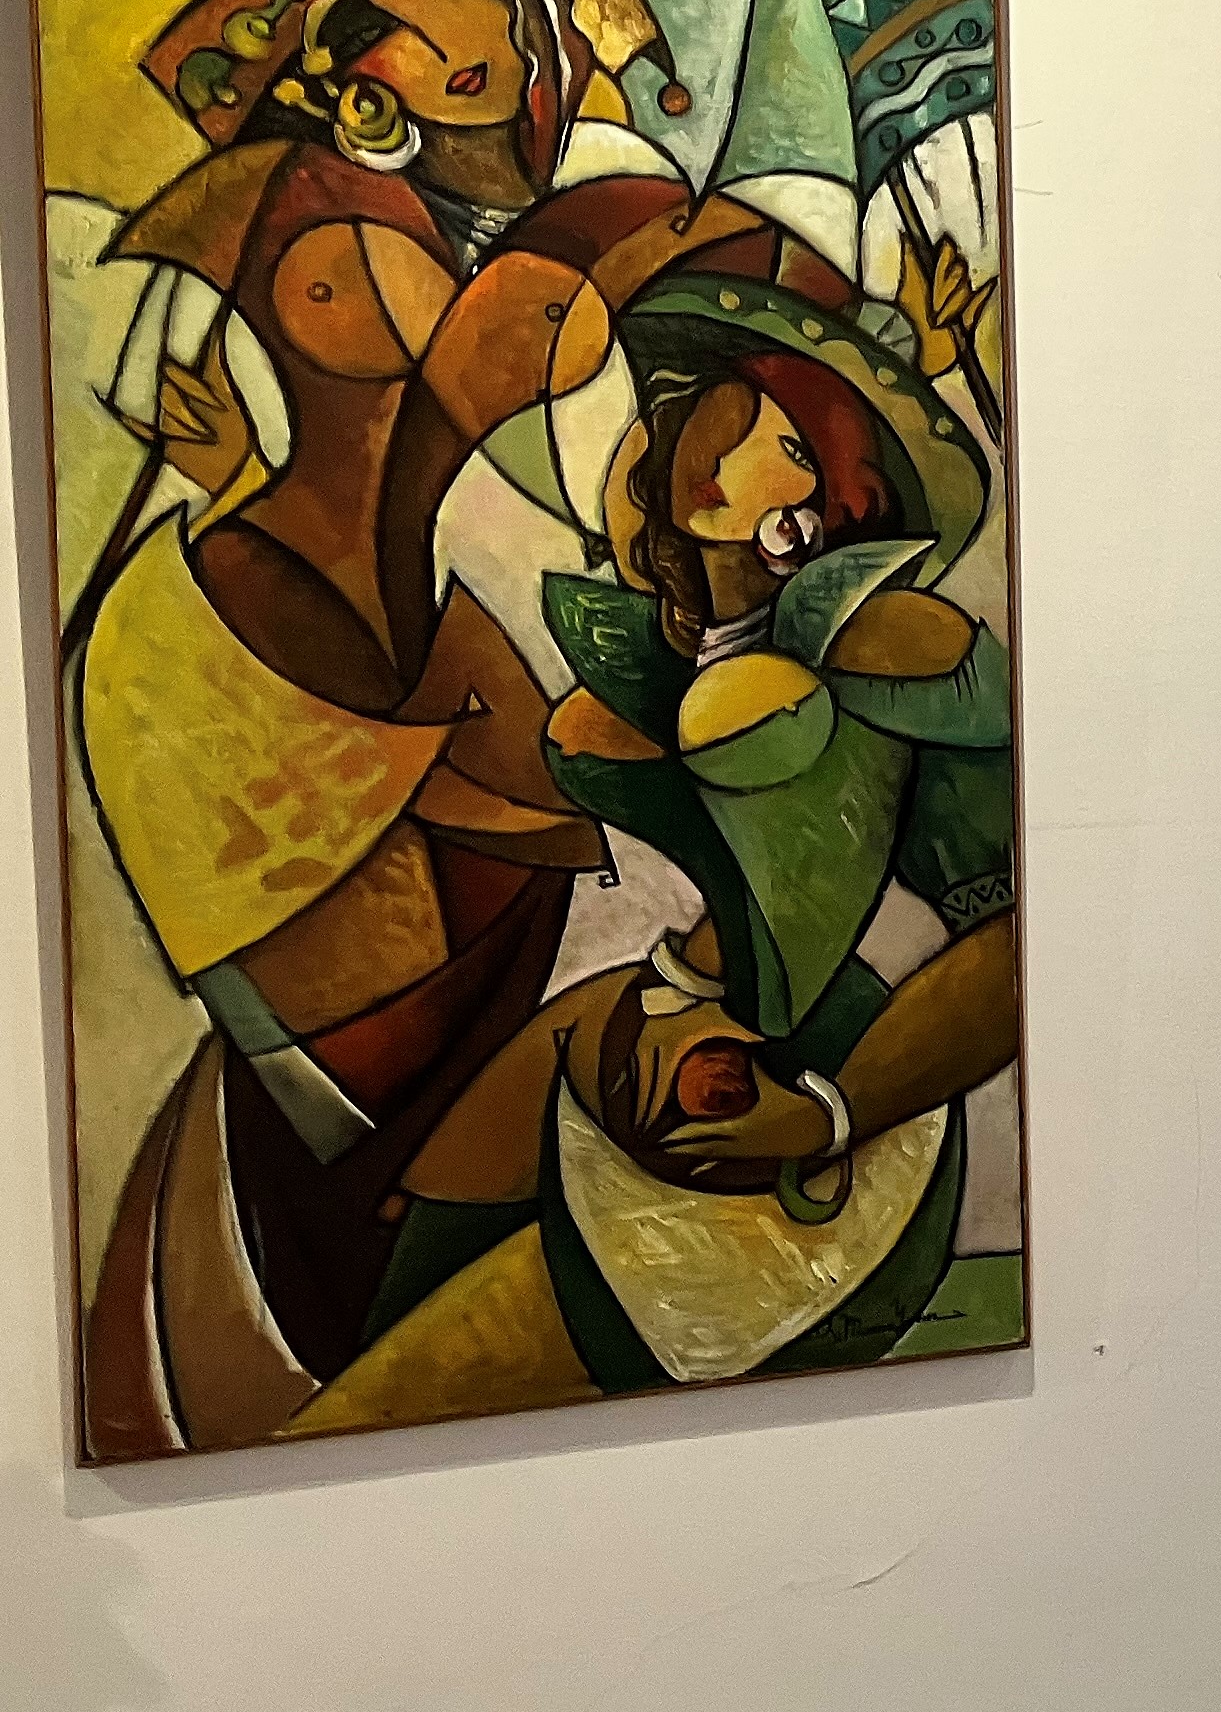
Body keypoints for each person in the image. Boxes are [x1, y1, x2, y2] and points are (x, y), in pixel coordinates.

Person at [74, 0, 856, 1453]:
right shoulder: (350, 236)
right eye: (452, 71)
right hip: (283, 702)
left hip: (393, 703)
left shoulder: (479, 324)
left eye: (499, 75)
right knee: (357, 1127)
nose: (484, 107)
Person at [290, 281, 1016, 1427]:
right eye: (717, 421)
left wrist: (826, 1113)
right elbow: (755, 873)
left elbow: (1009, 950)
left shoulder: (897, 650)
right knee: (432, 1235)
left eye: (783, 441)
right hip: (693, 1039)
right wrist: (678, 983)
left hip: (840, 1119)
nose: (716, 451)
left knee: (372, 1419)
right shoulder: (672, 659)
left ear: (834, 488)